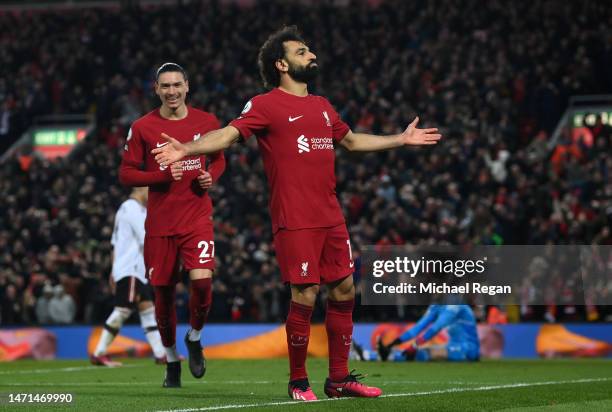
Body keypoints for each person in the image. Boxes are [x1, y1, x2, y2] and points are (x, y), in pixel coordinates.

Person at [152, 27, 441, 400]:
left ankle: (338, 379)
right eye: (302, 51)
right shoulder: (265, 104)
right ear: (282, 63)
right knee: (305, 295)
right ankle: (298, 381)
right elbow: (228, 134)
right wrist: (187, 150)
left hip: (331, 216)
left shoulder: (322, 105)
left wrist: (399, 139)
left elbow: (352, 141)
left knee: (345, 289)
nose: (311, 54)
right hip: (295, 218)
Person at [119, 63, 226, 387]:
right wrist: (161, 176)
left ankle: (194, 338)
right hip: (161, 225)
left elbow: (219, 158)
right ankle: (171, 359)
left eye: (177, 85)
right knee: (163, 298)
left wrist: (212, 177)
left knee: (203, 284)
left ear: (187, 86)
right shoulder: (142, 127)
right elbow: (126, 173)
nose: (172, 91)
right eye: (165, 86)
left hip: (196, 217)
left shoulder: (207, 122)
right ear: (156, 89)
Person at [91, 187, 166, 367]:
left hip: (133, 269)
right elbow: (146, 237)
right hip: (131, 268)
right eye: (150, 190)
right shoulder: (133, 208)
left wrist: (114, 270)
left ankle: (161, 354)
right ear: (140, 188)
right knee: (123, 310)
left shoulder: (126, 208)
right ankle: (99, 353)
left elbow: (115, 243)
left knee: (147, 309)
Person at [374, 305, 480, 362]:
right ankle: (381, 352)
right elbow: (418, 328)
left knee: (424, 353)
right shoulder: (436, 306)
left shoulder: (456, 306)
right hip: (451, 345)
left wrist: (414, 346)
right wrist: (391, 344)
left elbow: (436, 328)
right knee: (421, 352)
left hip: (468, 349)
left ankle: (387, 356)